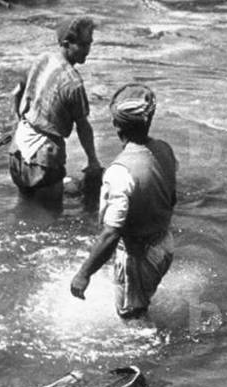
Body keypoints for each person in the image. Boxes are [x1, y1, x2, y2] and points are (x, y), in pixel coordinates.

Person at [70, 83, 177, 319]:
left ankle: (156, 352)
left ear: (116, 126)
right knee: (141, 303)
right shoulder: (164, 150)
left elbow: (111, 234)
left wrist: (84, 274)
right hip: (165, 245)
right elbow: (172, 198)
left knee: (132, 320)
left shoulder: (119, 172)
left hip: (140, 256)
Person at [9, 16, 102, 203]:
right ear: (66, 44)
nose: (88, 51)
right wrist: (93, 162)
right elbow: (83, 127)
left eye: (90, 44)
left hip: (18, 149)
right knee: (51, 219)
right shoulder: (73, 82)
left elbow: (16, 92)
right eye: (83, 45)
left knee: (24, 207)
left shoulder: (42, 59)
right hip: (45, 158)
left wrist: (17, 123)